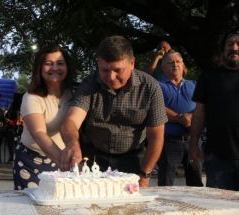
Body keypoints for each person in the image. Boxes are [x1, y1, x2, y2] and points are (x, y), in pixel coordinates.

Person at [60, 36, 167, 187]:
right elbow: (70, 122)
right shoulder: (89, 83)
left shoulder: (150, 87)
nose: (111, 77)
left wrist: (145, 174)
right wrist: (72, 144)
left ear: (132, 63)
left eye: (118, 70)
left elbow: (156, 136)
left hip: (132, 159)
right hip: (93, 157)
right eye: (105, 70)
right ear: (98, 63)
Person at [13, 44, 74, 190]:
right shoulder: (31, 97)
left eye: (60, 63)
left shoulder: (71, 94)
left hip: (61, 160)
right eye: (48, 64)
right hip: (31, 162)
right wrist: (62, 160)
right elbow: (39, 133)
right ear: (39, 68)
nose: (55, 68)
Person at [190, 28, 239, 191]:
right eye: (230, 44)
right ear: (224, 49)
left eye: (238, 44)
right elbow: (198, 115)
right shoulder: (208, 76)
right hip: (218, 157)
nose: (235, 48)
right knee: (219, 209)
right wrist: (193, 145)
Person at [157, 50, 203, 186]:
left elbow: (203, 107)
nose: (175, 64)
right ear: (163, 67)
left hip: (193, 141)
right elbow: (156, 108)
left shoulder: (194, 85)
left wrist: (191, 116)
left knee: (196, 184)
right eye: (170, 62)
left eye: (178, 61)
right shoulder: (157, 86)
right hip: (169, 142)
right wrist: (180, 118)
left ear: (183, 65)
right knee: (166, 183)